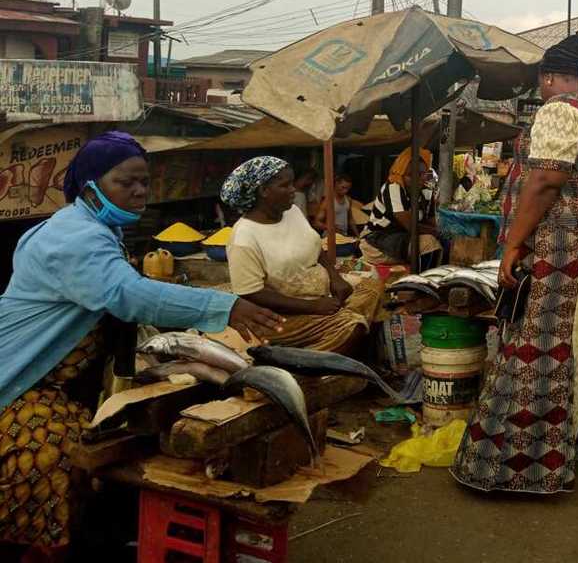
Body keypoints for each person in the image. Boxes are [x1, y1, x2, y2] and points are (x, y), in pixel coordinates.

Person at [0, 133, 282, 555]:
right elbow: (126, 295)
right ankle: (38, 545)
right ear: (90, 186)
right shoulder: (73, 237)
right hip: (21, 382)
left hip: (60, 380)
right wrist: (224, 306)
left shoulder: (95, 226)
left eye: (144, 182)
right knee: (52, 454)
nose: (139, 191)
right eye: (125, 181)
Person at [452, 33, 578, 494]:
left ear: (547, 78)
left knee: (535, 346)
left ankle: (518, 465)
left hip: (558, 243)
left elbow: (544, 180)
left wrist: (513, 244)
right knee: (568, 342)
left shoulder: (561, 108)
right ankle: (563, 445)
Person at [223, 157, 380, 353]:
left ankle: (340, 332)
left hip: (322, 296)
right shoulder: (244, 237)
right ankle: (306, 371)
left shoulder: (293, 212)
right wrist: (312, 306)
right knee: (351, 326)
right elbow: (250, 293)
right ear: (263, 191)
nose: (293, 191)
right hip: (283, 314)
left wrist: (335, 277)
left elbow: (314, 245)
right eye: (285, 185)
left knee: (372, 288)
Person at [360, 148, 442, 267]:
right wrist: (437, 232)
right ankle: (422, 281)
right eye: (410, 175)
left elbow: (431, 221)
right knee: (429, 243)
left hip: (402, 237)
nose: (417, 179)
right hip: (378, 239)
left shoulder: (427, 192)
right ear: (401, 174)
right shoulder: (394, 187)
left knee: (440, 242)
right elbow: (409, 224)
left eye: (421, 174)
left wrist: (441, 230)